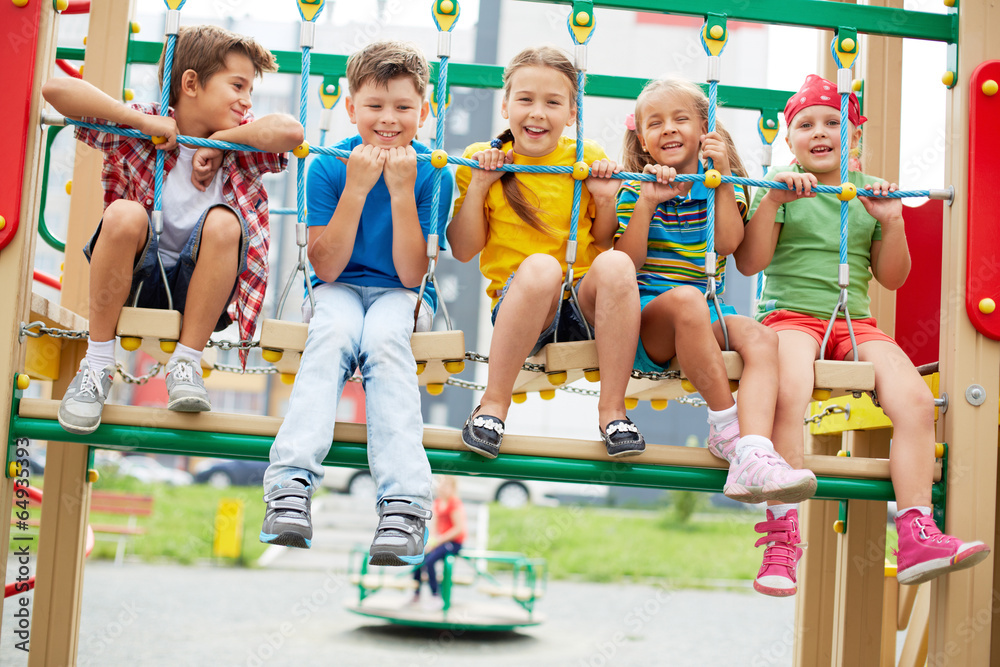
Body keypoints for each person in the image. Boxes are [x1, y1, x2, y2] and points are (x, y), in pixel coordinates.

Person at [735, 74, 990, 596]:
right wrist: (772, 204)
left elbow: (892, 277)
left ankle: (916, 533)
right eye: (805, 125)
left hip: (854, 324)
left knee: (917, 403)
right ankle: (783, 536)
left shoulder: (868, 191)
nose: (820, 132)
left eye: (833, 122)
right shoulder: (783, 186)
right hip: (789, 317)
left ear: (852, 136)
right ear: (790, 140)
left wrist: (891, 222)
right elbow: (749, 263)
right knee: (789, 394)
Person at [43, 25, 302, 433]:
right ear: (191, 83)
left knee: (224, 222)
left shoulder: (239, 147)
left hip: (197, 295)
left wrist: (220, 143)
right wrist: (137, 121)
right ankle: (96, 365)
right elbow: (56, 92)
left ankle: (186, 363)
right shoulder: (144, 129)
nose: (246, 100)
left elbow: (291, 132)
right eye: (237, 85)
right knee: (125, 213)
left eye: (250, 90)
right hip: (134, 281)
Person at [259, 41, 453, 567]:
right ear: (351, 108)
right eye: (374, 106)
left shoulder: (434, 172)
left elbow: (413, 274)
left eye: (402, 107)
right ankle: (290, 487)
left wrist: (397, 191)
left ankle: (404, 505)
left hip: (404, 292)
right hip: (337, 287)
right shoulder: (327, 166)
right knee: (332, 336)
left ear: (424, 111)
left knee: (386, 341)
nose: (388, 119)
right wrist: (358, 188)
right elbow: (326, 268)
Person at [614, 78, 816, 507]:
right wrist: (649, 203)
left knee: (763, 338)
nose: (668, 128)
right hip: (649, 321)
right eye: (655, 123)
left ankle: (753, 449)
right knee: (686, 300)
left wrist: (722, 181)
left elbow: (727, 243)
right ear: (644, 142)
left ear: (706, 129)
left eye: (680, 118)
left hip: (708, 314)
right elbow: (627, 263)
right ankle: (726, 428)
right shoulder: (635, 187)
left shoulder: (726, 187)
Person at [448, 46, 645, 459]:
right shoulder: (480, 160)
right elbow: (464, 250)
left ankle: (613, 410)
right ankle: (493, 406)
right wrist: (482, 184)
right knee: (540, 267)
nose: (537, 112)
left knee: (617, 263)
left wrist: (606, 200)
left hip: (584, 307)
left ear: (572, 113)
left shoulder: (586, 158)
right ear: (505, 106)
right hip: (523, 305)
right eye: (525, 99)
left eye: (553, 102)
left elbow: (608, 243)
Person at [412, 476, 466, 606]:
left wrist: (439, 540)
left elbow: (458, 529)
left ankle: (436, 595)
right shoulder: (438, 503)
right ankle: (416, 593)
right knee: (419, 558)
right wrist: (431, 542)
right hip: (441, 541)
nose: (441, 487)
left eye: (445, 485)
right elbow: (434, 527)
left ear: (452, 488)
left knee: (430, 562)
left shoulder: (454, 504)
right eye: (440, 484)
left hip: (453, 543)